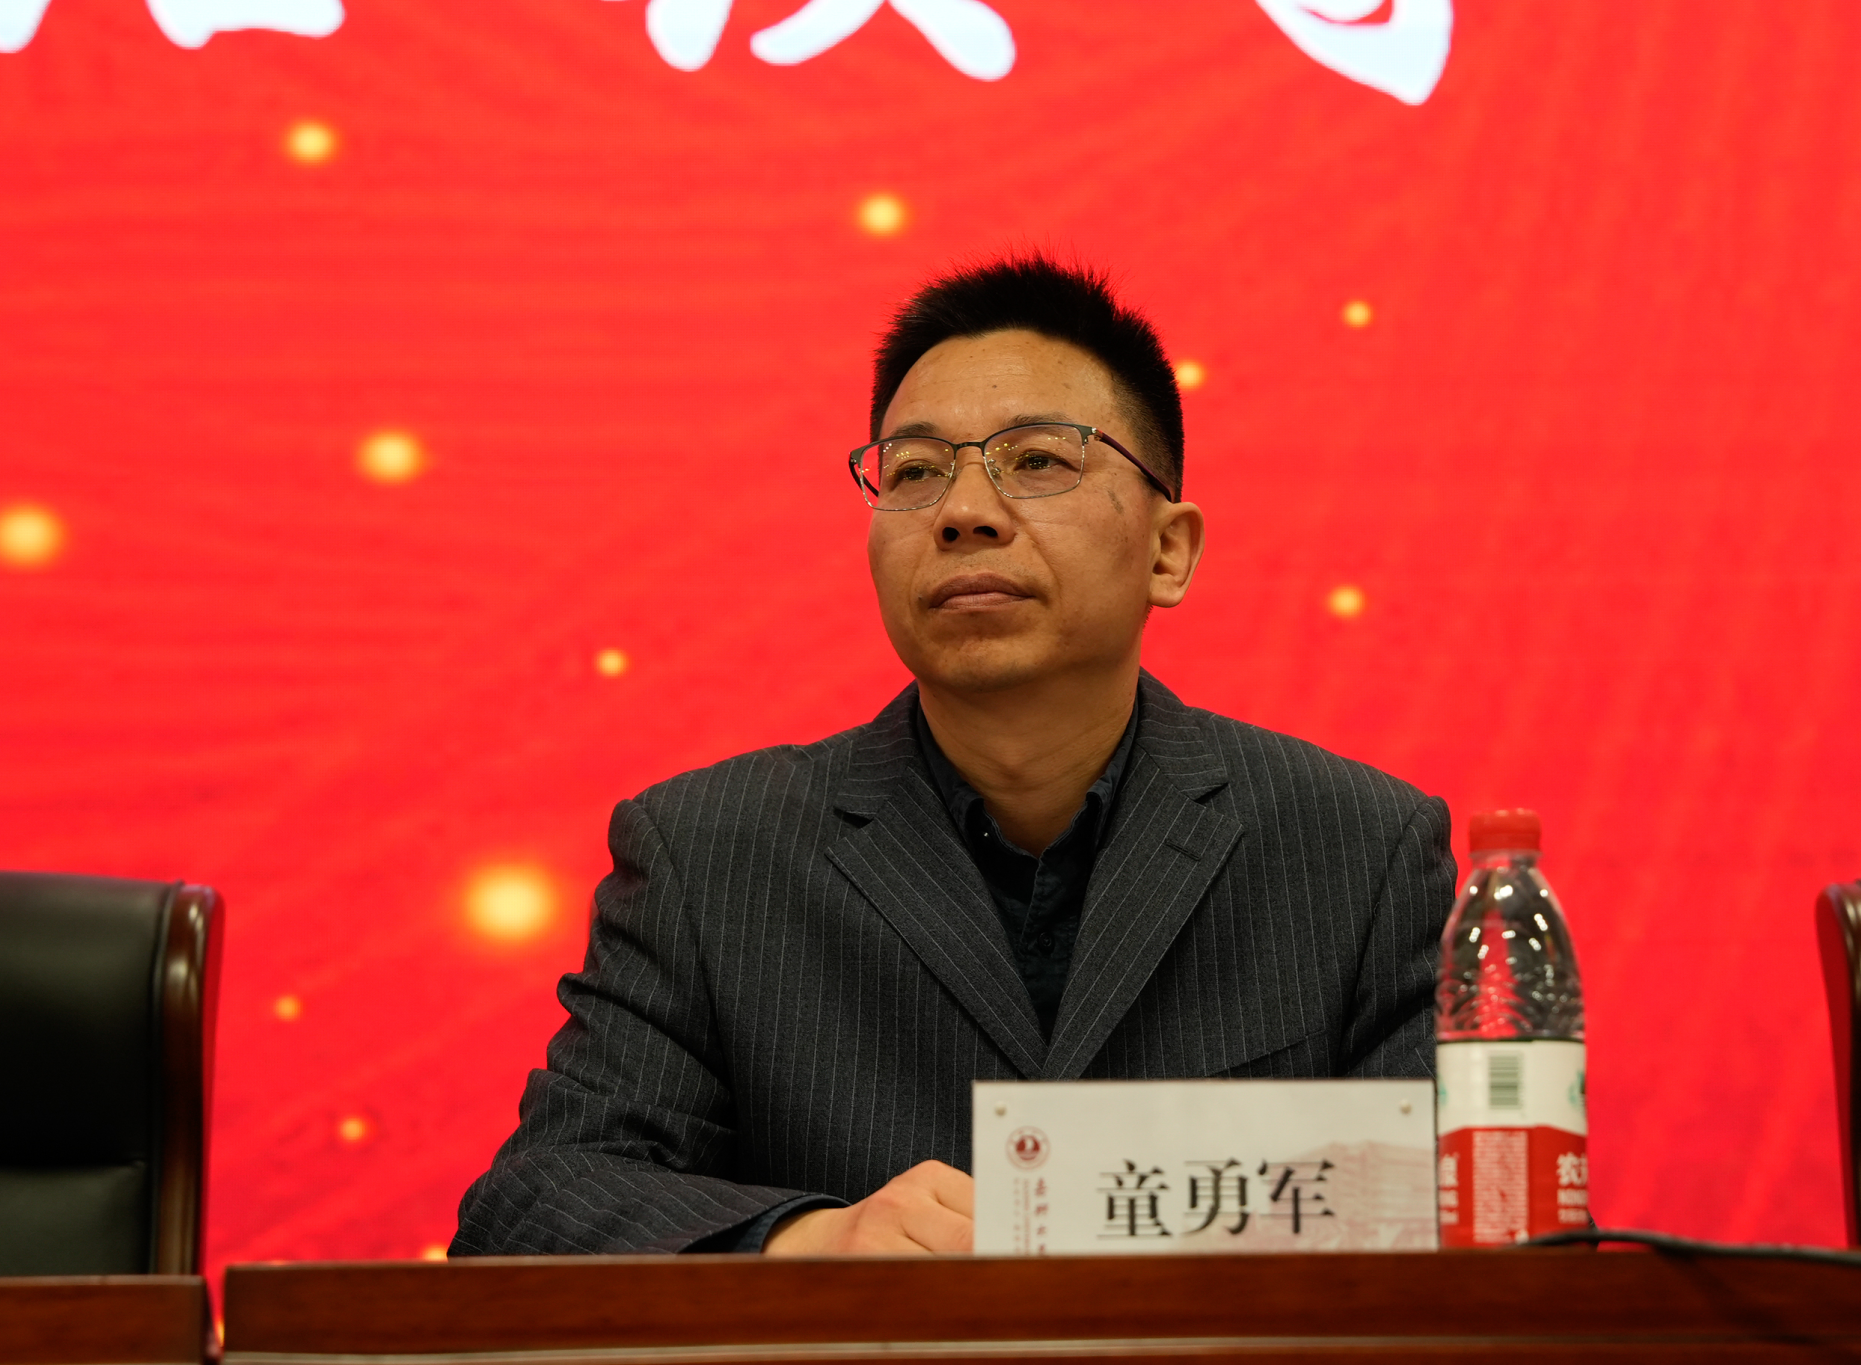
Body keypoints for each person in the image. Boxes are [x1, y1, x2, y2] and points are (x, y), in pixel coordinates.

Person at [451, 255, 1456, 1257]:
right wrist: (808, 1243)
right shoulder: (709, 854)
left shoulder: (1356, 849)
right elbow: (534, 1205)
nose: (963, 511)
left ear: (1168, 550)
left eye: (1037, 460)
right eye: (916, 471)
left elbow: (1474, 1214)